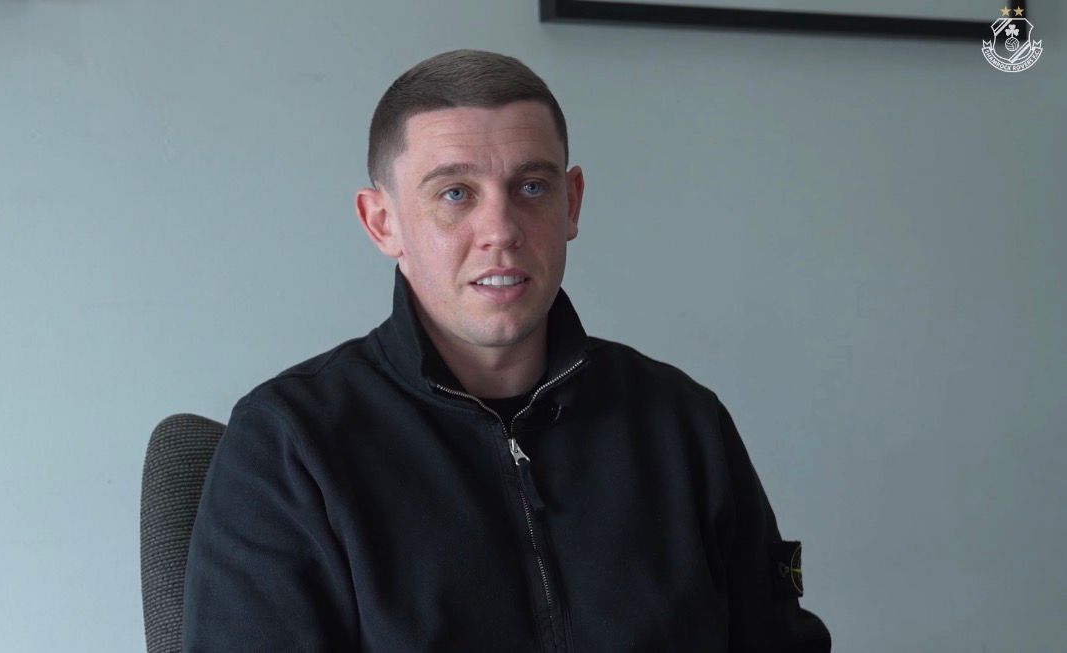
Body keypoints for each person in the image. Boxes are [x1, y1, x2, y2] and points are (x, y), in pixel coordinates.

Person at [182, 49, 831, 652]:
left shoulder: (683, 423)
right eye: (455, 193)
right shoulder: (290, 445)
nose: (500, 230)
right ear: (383, 222)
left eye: (531, 187)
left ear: (571, 203)